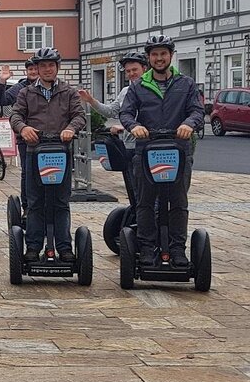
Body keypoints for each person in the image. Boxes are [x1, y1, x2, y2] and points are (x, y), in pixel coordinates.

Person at [119, 35, 204, 268]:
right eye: (154, 54)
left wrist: (189, 124)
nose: (159, 58)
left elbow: (197, 110)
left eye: (163, 54)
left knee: (178, 202)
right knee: (145, 202)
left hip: (178, 150)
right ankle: (147, 247)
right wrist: (135, 126)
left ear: (170, 56)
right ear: (149, 58)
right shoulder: (138, 86)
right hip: (147, 151)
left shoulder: (185, 84)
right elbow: (126, 113)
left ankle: (177, 249)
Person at [9, 48, 86, 263]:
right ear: (38, 69)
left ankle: (64, 247)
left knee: (61, 202)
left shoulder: (68, 92)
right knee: (35, 202)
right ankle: (33, 246)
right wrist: (23, 128)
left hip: (60, 151)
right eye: (43, 66)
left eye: (51, 65)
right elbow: (15, 115)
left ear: (57, 67)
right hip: (35, 151)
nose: (47, 69)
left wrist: (71, 128)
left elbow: (79, 116)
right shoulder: (26, 93)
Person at [78, 52, 148, 151]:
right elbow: (110, 111)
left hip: (148, 144)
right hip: (128, 145)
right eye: (128, 71)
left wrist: (127, 127)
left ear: (144, 69)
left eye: (135, 70)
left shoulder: (152, 90)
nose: (131, 73)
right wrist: (91, 100)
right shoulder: (125, 91)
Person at [0, 58, 38, 213]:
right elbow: (1, 100)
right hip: (25, 138)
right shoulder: (20, 88)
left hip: (48, 138)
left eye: (35, 69)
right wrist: (2, 82)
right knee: (28, 172)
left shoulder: (52, 87)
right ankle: (27, 207)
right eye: (30, 69)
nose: (33, 72)